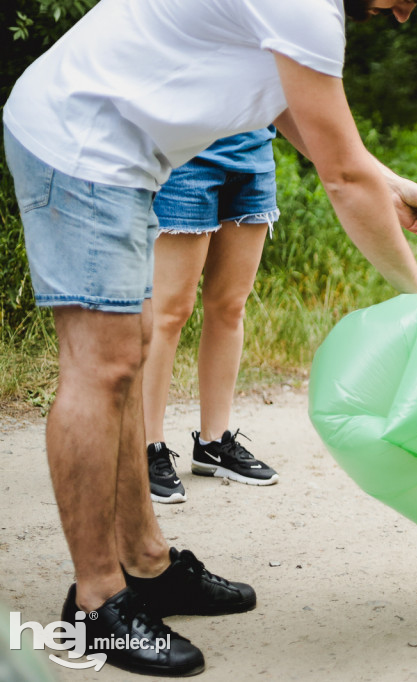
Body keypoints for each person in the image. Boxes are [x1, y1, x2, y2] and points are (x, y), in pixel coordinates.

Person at [3, 0, 417, 675]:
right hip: (82, 144)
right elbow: (339, 177)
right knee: (100, 368)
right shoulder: (307, 7)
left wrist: (382, 178)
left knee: (124, 358)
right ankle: (97, 605)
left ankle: (148, 565)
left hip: (116, 150)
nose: (402, 15)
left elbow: (293, 113)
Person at [144, 129, 281, 505]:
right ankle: (144, 447)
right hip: (185, 154)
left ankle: (213, 444)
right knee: (169, 312)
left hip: (253, 156)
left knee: (230, 305)